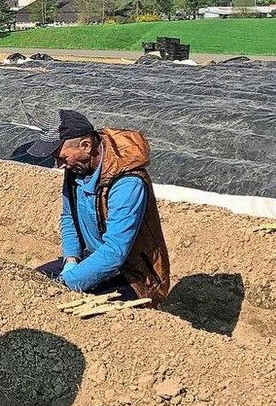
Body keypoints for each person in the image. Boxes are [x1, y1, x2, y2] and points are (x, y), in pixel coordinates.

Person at [23, 109, 171, 303]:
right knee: (28, 283)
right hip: (92, 258)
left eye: (62, 157)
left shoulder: (127, 183)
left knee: (62, 304)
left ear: (85, 145)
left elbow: (115, 251)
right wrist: (71, 260)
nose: (59, 164)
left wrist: (66, 282)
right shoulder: (77, 167)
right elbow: (69, 217)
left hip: (133, 276)